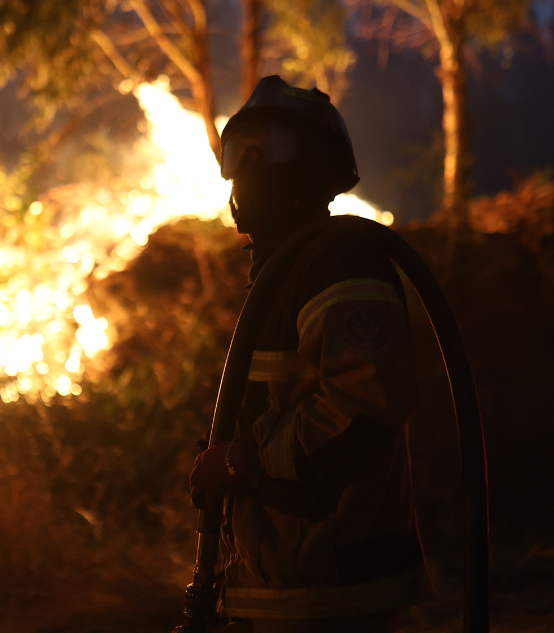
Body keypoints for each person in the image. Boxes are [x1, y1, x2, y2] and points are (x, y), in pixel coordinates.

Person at [187, 76, 431, 633]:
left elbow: (363, 404)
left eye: (268, 147)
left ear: (318, 166)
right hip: (290, 586)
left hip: (336, 592)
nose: (248, 166)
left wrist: (236, 461)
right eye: (236, 152)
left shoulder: (340, 260)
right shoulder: (284, 271)